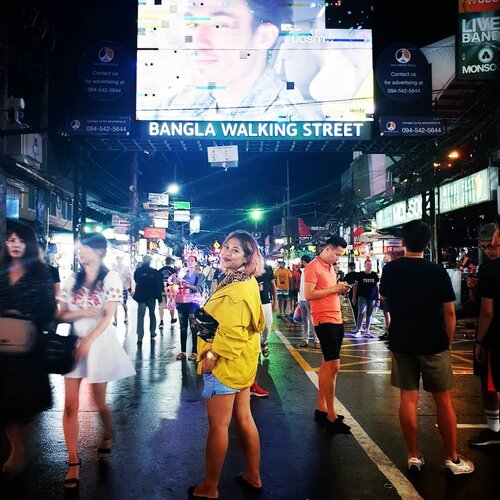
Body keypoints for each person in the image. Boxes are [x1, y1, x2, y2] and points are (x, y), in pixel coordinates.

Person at [379, 220, 474, 475]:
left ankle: (413, 456)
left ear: (403, 243)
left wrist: (392, 327)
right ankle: (452, 460)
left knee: (408, 398)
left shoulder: (390, 270)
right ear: (427, 244)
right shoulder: (437, 272)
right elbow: (450, 313)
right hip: (433, 342)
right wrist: (449, 341)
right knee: (443, 401)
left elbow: (385, 302)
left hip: (402, 342)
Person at [155, 0, 321, 122]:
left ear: (264, 37)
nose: (197, 42)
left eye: (220, 25)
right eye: (192, 23)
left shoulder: (293, 120)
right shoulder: (172, 107)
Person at [190, 231, 265, 499]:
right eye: (226, 247)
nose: (227, 252)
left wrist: (211, 357)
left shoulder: (238, 288)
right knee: (244, 418)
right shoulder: (240, 281)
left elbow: (232, 331)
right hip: (241, 363)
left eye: (236, 250)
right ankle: (253, 476)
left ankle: (210, 487)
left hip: (226, 364)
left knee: (219, 425)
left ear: (248, 257)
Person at [58, 233, 136, 490]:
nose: (81, 252)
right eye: (79, 248)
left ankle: (108, 433)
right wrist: (80, 313)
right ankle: (73, 461)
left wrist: (89, 340)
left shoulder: (110, 278)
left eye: (86, 248)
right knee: (70, 405)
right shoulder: (72, 279)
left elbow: (107, 316)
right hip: (73, 343)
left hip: (99, 344)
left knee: (99, 401)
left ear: (100, 251)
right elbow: (61, 314)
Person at [0, 225, 57, 477]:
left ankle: (20, 441)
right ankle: (16, 448)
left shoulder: (41, 273)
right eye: (10, 239)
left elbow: (47, 307)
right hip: (2, 346)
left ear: (29, 245)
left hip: (28, 346)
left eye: (20, 240)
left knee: (23, 400)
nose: (14, 244)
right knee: (4, 400)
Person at [304, 236, 351, 434]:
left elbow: (327, 291)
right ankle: (331, 415)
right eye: (337, 254)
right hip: (324, 320)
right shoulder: (313, 267)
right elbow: (308, 294)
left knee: (327, 364)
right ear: (328, 249)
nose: (338, 258)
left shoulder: (330, 267)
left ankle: (321, 408)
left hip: (336, 318)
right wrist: (335, 289)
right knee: (334, 365)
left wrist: (339, 290)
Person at [468, 223, 500, 448]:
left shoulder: (489, 270)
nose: (489, 250)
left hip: (494, 337)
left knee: (490, 383)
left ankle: (494, 429)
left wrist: (479, 341)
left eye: (493, 245)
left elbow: (486, 311)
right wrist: (472, 289)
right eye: (485, 246)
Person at [175, 255, 205, 361]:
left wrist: (187, 286)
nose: (190, 262)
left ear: (196, 263)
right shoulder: (183, 275)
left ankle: (194, 351)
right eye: (188, 261)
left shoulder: (200, 276)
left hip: (193, 303)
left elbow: (198, 288)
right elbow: (177, 287)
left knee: (194, 328)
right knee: (182, 327)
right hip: (182, 303)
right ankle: (183, 351)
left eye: (192, 261)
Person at [133, 255, 163, 345]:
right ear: (150, 262)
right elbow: (158, 285)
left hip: (141, 296)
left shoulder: (138, 271)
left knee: (140, 316)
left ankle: (140, 336)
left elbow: (136, 280)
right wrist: (160, 297)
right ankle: (152, 333)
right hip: (151, 297)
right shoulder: (154, 272)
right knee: (152, 314)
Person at [296, 255, 320, 349]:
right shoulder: (303, 271)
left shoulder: (311, 270)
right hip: (302, 299)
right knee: (305, 321)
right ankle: (305, 339)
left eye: (300, 262)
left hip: (309, 299)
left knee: (312, 321)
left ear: (303, 261)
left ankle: (317, 340)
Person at [351, 260, 379, 338]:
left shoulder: (374, 275)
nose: (369, 266)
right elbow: (355, 286)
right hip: (362, 296)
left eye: (370, 264)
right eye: (368, 264)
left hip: (372, 297)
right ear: (364, 265)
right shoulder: (360, 274)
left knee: (369, 314)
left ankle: (367, 330)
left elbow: (377, 286)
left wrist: (378, 297)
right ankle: (358, 329)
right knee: (361, 313)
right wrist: (354, 297)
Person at [256, 263, 278, 357]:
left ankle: (263, 342)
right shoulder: (247, 268)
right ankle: (256, 351)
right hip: (251, 302)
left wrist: (275, 301)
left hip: (265, 301)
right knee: (253, 328)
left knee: (268, 325)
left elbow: (273, 285)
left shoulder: (267, 268)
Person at [158, 256, 178, 328]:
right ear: (171, 262)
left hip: (161, 290)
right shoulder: (173, 270)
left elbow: (158, 281)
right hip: (171, 291)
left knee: (161, 306)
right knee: (171, 305)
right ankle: (172, 319)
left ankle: (161, 321)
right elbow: (175, 281)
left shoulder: (160, 270)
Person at [113, 256, 131, 325]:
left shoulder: (126, 268)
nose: (119, 261)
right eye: (118, 260)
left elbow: (129, 278)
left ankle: (126, 315)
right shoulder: (114, 268)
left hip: (123, 288)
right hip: (115, 288)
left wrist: (129, 287)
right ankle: (115, 320)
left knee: (124, 303)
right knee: (114, 304)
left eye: (120, 260)